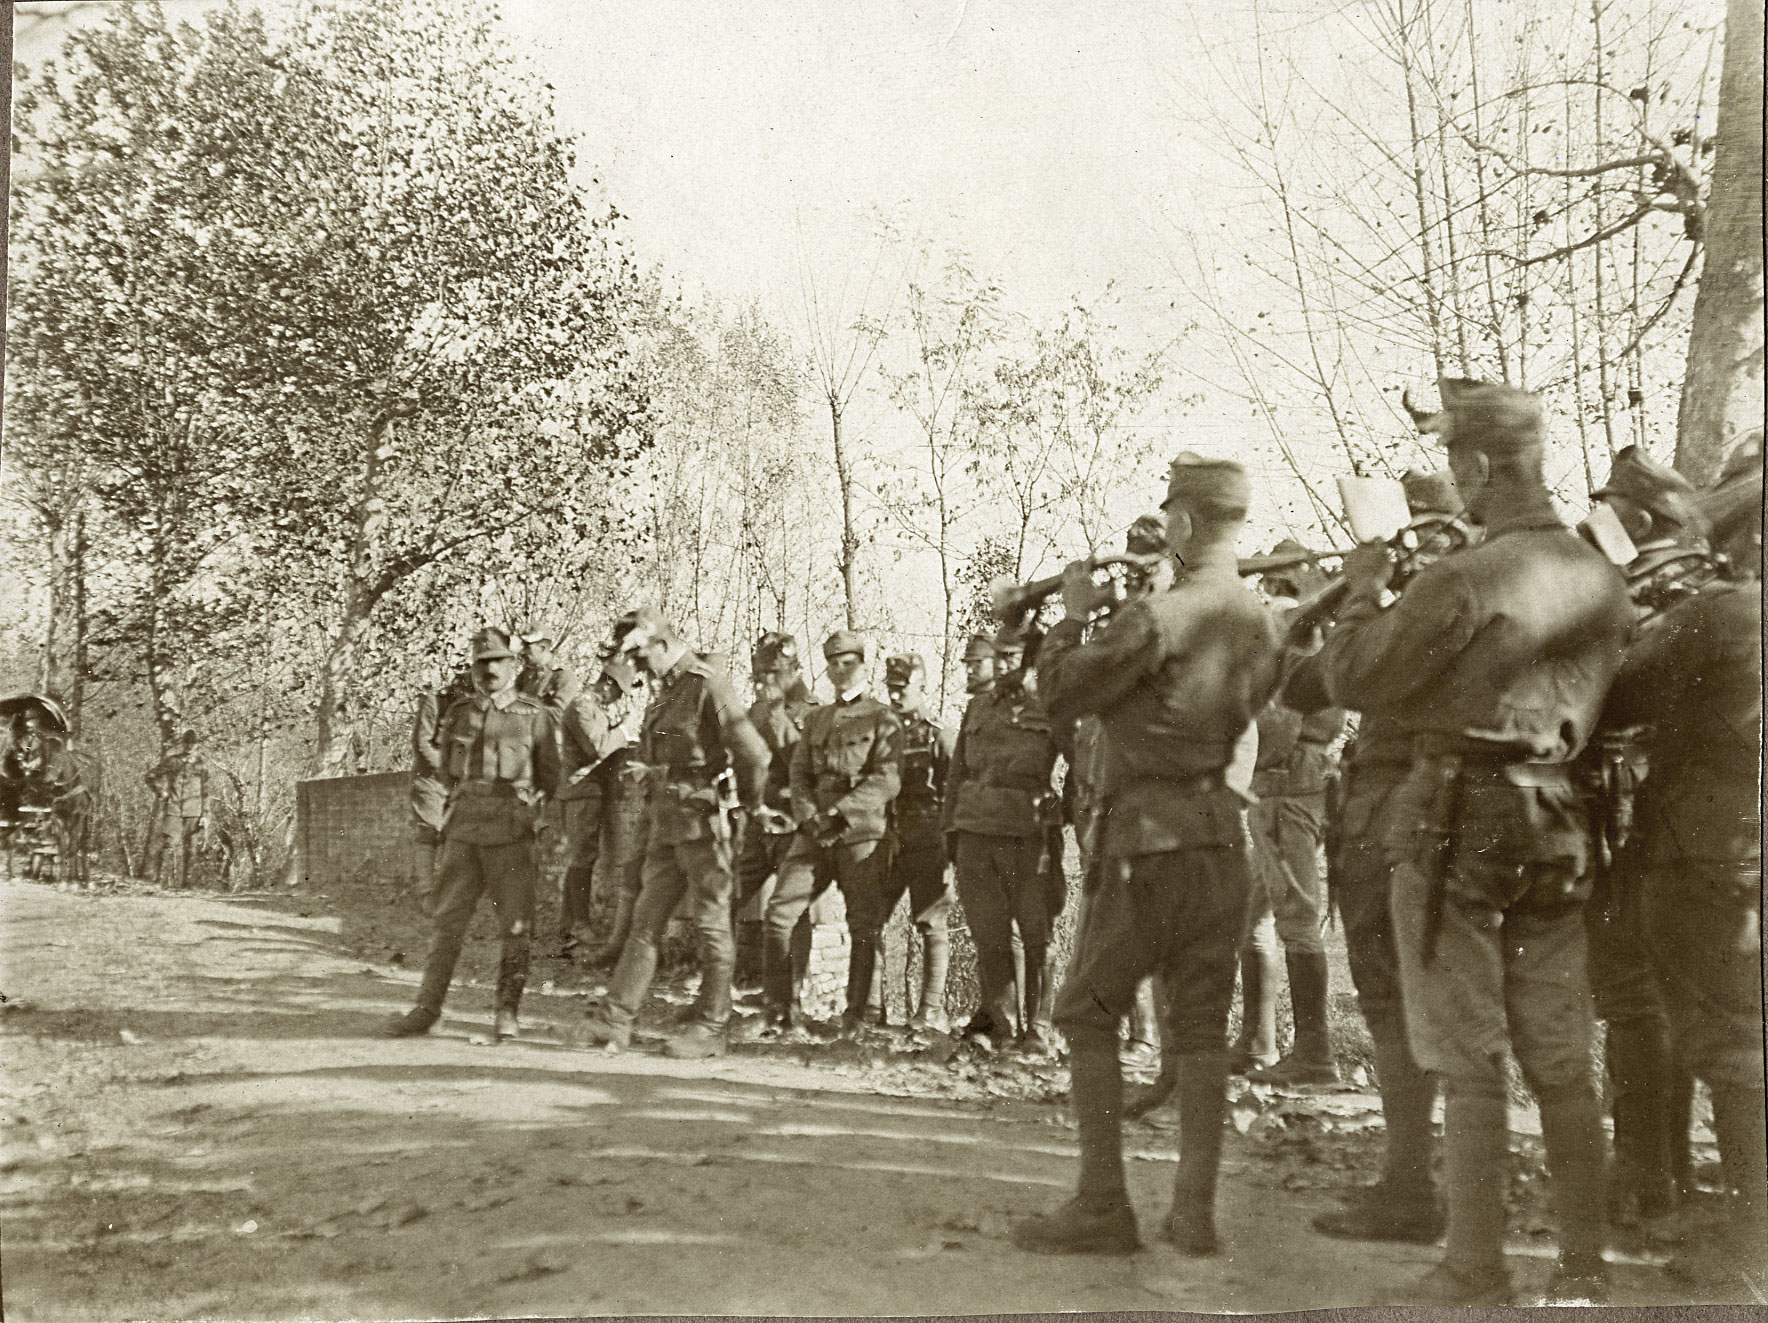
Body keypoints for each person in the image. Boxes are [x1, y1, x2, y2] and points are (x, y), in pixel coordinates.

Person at [1318, 379, 1634, 1305]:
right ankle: (1583, 1268)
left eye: (1459, 464)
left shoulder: (1464, 577)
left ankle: (1475, 1266)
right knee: (1562, 1057)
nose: (1455, 481)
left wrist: (1363, 595)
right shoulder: (1600, 575)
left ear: (1482, 465)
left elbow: (1356, 675)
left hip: (1457, 821)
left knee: (1468, 1054)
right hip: (1560, 821)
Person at [1013, 453, 1281, 1258]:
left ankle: (1103, 1203)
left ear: (1186, 522)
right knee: (1199, 1028)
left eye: (1171, 519)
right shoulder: (1262, 619)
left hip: (1148, 844)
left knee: (1086, 1012)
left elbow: (1060, 692)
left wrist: (1072, 617)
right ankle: (1194, 1212)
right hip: (1221, 841)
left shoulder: (1160, 617)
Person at [1602, 434, 1764, 1289]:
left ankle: (1751, 1244)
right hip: (1732, 844)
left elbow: (1617, 692)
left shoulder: (1725, 610)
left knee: (1728, 1041)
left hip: (1704, 851)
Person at [1295, 469, 1467, 1246]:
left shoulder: (1421, 601)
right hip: (1423, 808)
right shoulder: (1466, 592)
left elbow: (1326, 681)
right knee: (1421, 1003)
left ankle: (1410, 1186)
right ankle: (1422, 1180)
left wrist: (1359, 595)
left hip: (1396, 809)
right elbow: (1303, 683)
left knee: (1394, 1002)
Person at [1583, 444, 1712, 1222]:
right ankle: (1666, 1166)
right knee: (1655, 991)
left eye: (1609, 507)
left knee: (1635, 990)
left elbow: (1611, 692)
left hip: (1634, 806)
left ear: (1639, 519)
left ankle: (1643, 1171)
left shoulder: (1662, 594)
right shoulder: (1680, 587)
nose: (1598, 518)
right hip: (1660, 808)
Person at [571, 608, 771, 1059]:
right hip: (667, 826)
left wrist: (749, 806)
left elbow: (755, 754)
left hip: (704, 827)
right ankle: (615, 1019)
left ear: (662, 644)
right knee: (645, 922)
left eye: (642, 657)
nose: (638, 668)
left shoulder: (707, 685)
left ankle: (712, 1027)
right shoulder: (665, 693)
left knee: (712, 926)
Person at [384, 627, 562, 1041]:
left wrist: (530, 816)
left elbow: (551, 776)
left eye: (497, 662)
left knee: (515, 927)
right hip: (464, 831)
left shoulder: (533, 715)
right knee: (447, 923)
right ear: (473, 669)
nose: (489, 670)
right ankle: (428, 1008)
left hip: (510, 834)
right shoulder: (460, 713)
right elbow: (449, 773)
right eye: (482, 664)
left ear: (513, 666)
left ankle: (506, 1012)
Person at [753, 630, 902, 1034]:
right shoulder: (817, 718)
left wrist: (840, 812)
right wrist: (807, 815)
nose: (840, 670)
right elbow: (799, 772)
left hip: (859, 833)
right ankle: (780, 1010)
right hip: (814, 832)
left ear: (862, 665)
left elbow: (887, 780)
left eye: (847, 662)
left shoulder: (882, 717)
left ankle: (857, 1017)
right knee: (779, 914)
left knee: (863, 925)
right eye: (833, 663)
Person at [1240, 552, 1349, 1087]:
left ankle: (1315, 1054)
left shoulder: (1298, 642)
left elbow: (1280, 723)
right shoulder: (1307, 639)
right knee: (1252, 917)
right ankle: (1257, 1042)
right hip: (1280, 788)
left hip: (1287, 790)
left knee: (1297, 922)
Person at [944, 621, 1064, 1052]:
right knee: (989, 935)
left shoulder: (1052, 706)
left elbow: (1084, 763)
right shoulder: (978, 707)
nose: (1001, 665)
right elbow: (957, 773)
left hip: (1026, 834)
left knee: (1036, 935)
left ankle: (1039, 1030)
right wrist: (950, 833)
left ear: (1032, 662)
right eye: (999, 657)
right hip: (975, 831)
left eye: (1011, 657)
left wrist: (1063, 816)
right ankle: (1004, 1026)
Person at [873, 652, 956, 1031]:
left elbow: (955, 792)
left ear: (921, 686)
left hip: (927, 840)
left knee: (931, 922)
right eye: (891, 688)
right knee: (871, 919)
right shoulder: (883, 734)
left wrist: (949, 848)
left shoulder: (938, 735)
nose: (895, 696)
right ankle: (872, 1009)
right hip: (887, 839)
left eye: (902, 688)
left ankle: (930, 1011)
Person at [732, 632, 818, 992]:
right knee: (732, 894)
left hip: (792, 821)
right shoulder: (757, 708)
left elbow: (803, 762)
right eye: (759, 673)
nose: (763, 681)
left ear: (793, 671)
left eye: (772, 673)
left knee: (791, 908)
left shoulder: (811, 712)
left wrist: (776, 715)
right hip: (757, 820)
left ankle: (791, 988)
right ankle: (730, 978)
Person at [556, 655, 646, 961]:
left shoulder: (593, 708)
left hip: (588, 790)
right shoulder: (581, 706)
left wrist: (618, 727)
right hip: (581, 790)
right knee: (582, 857)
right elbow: (597, 746)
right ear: (607, 684)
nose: (619, 697)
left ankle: (569, 926)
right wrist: (624, 730)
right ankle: (578, 925)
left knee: (581, 856)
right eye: (619, 691)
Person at [411, 664, 474, 907]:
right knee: (429, 831)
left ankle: (450, 892)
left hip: (461, 780)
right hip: (431, 777)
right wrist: (446, 769)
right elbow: (422, 743)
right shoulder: (434, 702)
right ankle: (426, 893)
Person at [515, 629, 582, 711]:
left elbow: (556, 714)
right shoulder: (526, 674)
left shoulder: (564, 676)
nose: (522, 652)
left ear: (542, 648)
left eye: (527, 647)